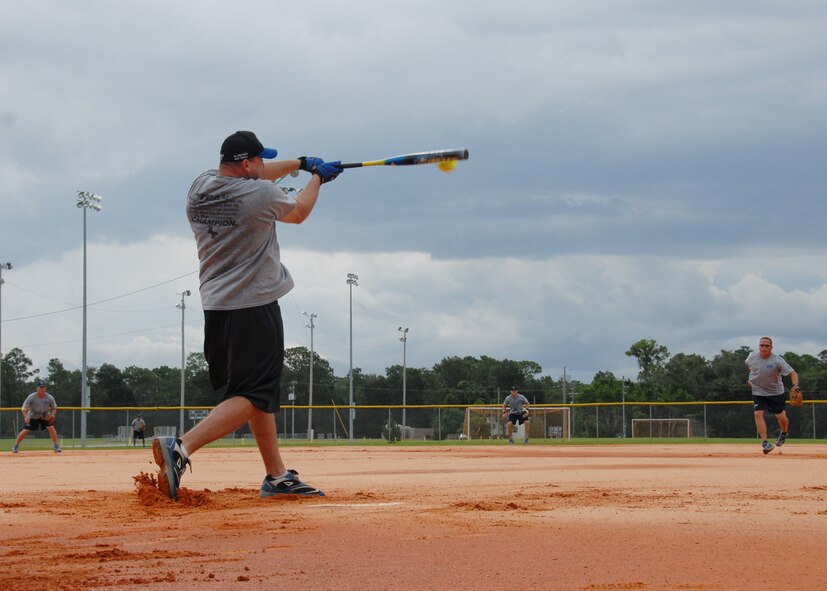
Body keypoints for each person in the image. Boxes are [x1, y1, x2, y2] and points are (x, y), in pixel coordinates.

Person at [153, 130, 342, 501]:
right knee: (255, 393)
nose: (264, 165)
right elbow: (300, 212)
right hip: (254, 305)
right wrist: (317, 179)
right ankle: (181, 446)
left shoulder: (200, 186)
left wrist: (301, 163)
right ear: (245, 164)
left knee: (255, 391)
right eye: (259, 160)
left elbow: (262, 175)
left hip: (217, 306)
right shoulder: (260, 194)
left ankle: (276, 475)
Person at [746, 336, 800, 455]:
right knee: (758, 413)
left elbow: (793, 373)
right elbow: (751, 367)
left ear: (771, 347)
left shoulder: (777, 360)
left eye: (766, 345)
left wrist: (795, 386)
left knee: (781, 418)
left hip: (775, 393)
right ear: (759, 346)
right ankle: (765, 443)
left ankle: (784, 432)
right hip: (758, 391)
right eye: (761, 345)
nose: (763, 347)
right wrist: (751, 378)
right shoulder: (752, 357)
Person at [12, 381, 61, 453]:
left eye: (43, 387)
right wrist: (26, 416)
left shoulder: (49, 397)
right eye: (40, 387)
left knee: (51, 428)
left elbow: (54, 408)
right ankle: (15, 446)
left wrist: (52, 415)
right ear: (37, 388)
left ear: (45, 388)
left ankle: (56, 446)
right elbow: (24, 408)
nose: (42, 389)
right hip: (33, 416)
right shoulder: (31, 397)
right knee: (25, 430)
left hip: (45, 416)